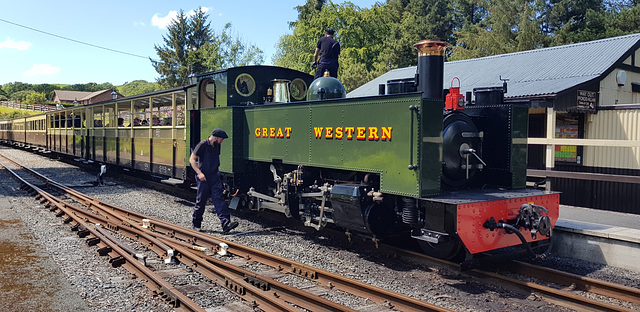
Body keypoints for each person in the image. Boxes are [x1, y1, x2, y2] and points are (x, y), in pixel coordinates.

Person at [190, 128, 239, 233]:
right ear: (216, 137)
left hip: (214, 176)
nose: (222, 141)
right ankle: (196, 224)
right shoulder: (202, 145)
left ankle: (226, 224)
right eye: (222, 139)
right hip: (203, 177)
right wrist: (199, 173)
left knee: (219, 199)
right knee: (201, 201)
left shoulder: (217, 145)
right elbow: (192, 159)